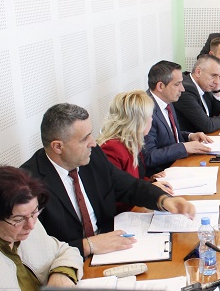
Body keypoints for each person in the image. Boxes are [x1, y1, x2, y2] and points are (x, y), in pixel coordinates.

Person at [21, 103, 196, 258]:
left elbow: (129, 186)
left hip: (111, 247)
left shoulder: (92, 156)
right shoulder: (27, 184)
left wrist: (163, 200)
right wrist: (88, 245)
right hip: (71, 262)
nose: (93, 143)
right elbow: (35, 250)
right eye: (84, 139)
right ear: (58, 146)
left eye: (90, 134)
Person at [0, 166, 83, 290]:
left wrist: (61, 275)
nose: (31, 225)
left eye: (35, 212)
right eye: (18, 219)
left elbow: (65, 251)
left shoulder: (28, 222)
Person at [98, 90, 174, 212]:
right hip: (124, 214)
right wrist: (149, 189)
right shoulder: (111, 149)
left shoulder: (131, 142)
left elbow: (132, 180)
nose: (152, 120)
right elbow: (116, 193)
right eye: (150, 116)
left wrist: (150, 181)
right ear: (139, 121)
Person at [143, 60, 212, 176]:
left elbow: (169, 135)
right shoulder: (146, 110)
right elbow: (149, 156)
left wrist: (190, 136)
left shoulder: (167, 101)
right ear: (160, 86)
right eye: (177, 84)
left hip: (178, 165)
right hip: (161, 175)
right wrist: (184, 147)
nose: (182, 89)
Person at [174, 55, 220, 133]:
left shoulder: (204, 85)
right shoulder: (186, 90)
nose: (217, 81)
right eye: (213, 75)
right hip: (189, 138)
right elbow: (207, 126)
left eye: (219, 76)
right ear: (198, 72)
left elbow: (217, 113)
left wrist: (217, 90)